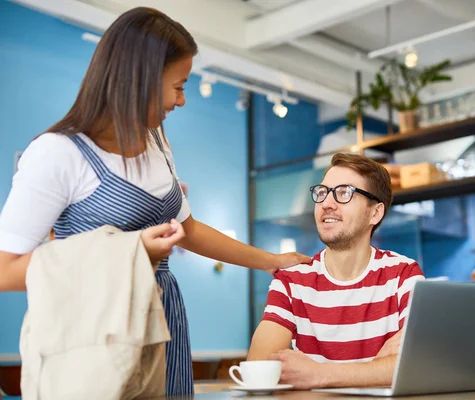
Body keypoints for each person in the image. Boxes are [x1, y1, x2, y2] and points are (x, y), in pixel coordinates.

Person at [0, 7, 310, 396]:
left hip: (163, 319)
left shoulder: (157, 144)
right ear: (141, 79)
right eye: (178, 85)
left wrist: (271, 261)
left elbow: (189, 230)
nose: (181, 101)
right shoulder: (57, 154)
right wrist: (130, 252)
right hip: (95, 333)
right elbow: (4, 269)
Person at [247, 153, 425, 389]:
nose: (327, 203)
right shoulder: (291, 280)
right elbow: (260, 369)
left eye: (344, 193)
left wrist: (319, 374)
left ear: (375, 213)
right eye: (322, 193)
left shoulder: (403, 275)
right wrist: (378, 370)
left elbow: (419, 364)